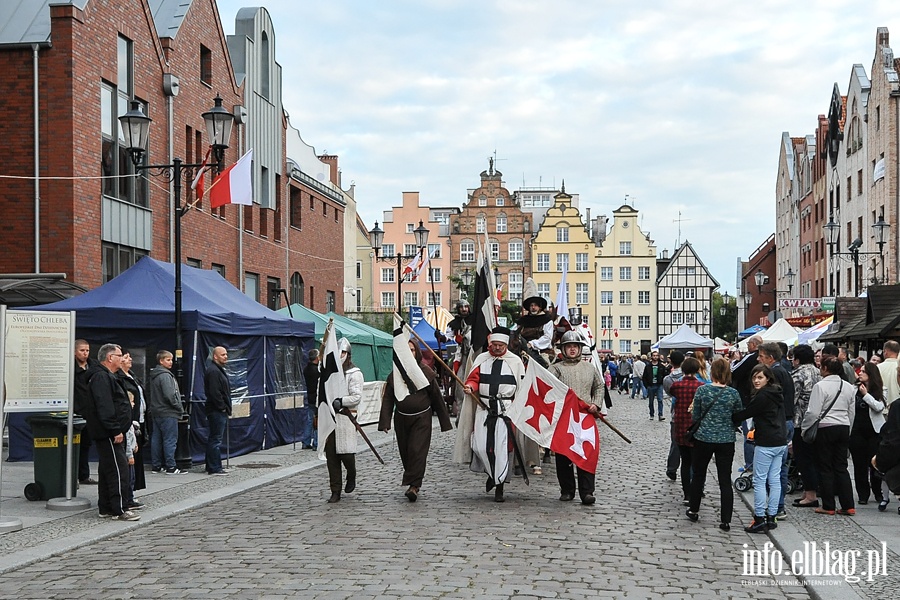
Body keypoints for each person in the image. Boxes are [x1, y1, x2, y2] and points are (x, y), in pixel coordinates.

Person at [379, 340, 453, 502]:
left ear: (417, 352)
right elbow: (388, 398)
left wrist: (444, 422)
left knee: (416, 451)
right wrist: (385, 422)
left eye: (412, 350)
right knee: (406, 452)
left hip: (422, 418)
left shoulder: (425, 372)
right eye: (407, 350)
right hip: (402, 418)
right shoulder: (396, 374)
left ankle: (414, 486)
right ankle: (413, 480)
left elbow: (436, 398)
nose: (410, 353)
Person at [460, 326, 526, 502]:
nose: (497, 348)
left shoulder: (515, 362)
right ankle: (491, 473)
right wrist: (470, 387)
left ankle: (500, 487)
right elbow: (474, 379)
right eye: (494, 345)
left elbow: (521, 388)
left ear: (506, 345)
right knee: (481, 446)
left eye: (500, 345)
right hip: (485, 408)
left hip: (506, 410)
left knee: (502, 449)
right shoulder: (482, 359)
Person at [81, 344, 139, 521]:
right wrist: (115, 429)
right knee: (117, 469)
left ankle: (106, 507)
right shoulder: (101, 377)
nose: (122, 358)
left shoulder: (109, 376)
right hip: (109, 432)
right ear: (109, 358)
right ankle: (119, 508)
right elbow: (104, 406)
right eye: (119, 355)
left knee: (108, 469)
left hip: (111, 430)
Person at [685, 358, 743, 531]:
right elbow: (737, 416)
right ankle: (726, 519)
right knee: (725, 479)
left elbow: (695, 416)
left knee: (698, 474)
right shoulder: (733, 393)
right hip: (726, 440)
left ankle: (694, 509)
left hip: (704, 438)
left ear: (712, 372)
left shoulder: (702, 391)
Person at [549, 331, 605, 505]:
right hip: (565, 418)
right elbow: (549, 388)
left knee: (587, 452)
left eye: (575, 346)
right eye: (569, 346)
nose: (572, 349)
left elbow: (599, 386)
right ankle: (567, 490)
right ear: (563, 349)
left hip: (585, 416)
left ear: (580, 349)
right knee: (564, 454)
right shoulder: (556, 368)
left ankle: (587, 491)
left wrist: (596, 404)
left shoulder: (590, 367)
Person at [732, 364, 788, 533]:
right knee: (774, 479)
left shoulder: (763, 396)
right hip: (780, 440)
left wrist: (731, 416)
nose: (756, 381)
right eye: (754, 377)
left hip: (767, 442)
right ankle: (771, 517)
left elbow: (747, 413)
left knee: (759, 480)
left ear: (768, 378)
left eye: (760, 377)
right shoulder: (776, 393)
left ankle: (759, 518)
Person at [802, 357, 856, 516]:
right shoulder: (848, 387)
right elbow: (851, 412)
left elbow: (813, 412)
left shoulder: (820, 386)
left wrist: (806, 428)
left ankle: (828, 505)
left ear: (825, 368)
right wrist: (849, 428)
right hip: (844, 426)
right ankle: (848, 505)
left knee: (825, 466)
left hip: (826, 427)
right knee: (841, 466)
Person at [757, 342, 795, 519]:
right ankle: (776, 506)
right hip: (785, 421)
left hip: (779, 424)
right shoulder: (784, 370)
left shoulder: (775, 373)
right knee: (779, 469)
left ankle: (777, 506)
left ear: (770, 358)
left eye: (761, 356)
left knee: (776, 470)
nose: (759, 359)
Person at [324, 338, 364, 503]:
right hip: (330, 418)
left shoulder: (354, 373)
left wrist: (342, 401)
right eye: (338, 352)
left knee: (347, 454)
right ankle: (335, 490)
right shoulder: (328, 372)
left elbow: (356, 397)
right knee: (332, 456)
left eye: (343, 352)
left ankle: (351, 473)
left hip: (346, 418)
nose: (340, 355)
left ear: (347, 354)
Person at [848, 363, 885, 506]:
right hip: (856, 431)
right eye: (860, 370)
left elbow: (879, 407)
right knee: (859, 465)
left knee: (875, 464)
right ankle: (863, 494)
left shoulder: (880, 390)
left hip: (874, 433)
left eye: (864, 371)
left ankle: (878, 492)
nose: (860, 373)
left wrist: (866, 395)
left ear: (871, 374)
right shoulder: (853, 389)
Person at [790, 344, 822, 508]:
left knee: (803, 458)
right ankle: (809, 491)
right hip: (818, 421)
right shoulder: (818, 372)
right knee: (813, 457)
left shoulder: (798, 374)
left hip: (800, 421)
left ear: (797, 359)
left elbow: (792, 398)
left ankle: (810, 495)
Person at [670, 357, 705, 505]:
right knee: (697, 464)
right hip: (697, 427)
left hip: (681, 426)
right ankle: (697, 490)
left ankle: (687, 494)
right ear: (697, 369)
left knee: (685, 462)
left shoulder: (677, 386)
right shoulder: (701, 386)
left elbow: (672, 393)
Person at [148, 350, 187, 475]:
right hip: (168, 412)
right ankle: (171, 466)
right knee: (170, 439)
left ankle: (156, 465)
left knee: (156, 439)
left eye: (171, 360)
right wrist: (179, 407)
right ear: (161, 361)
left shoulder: (154, 375)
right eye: (168, 360)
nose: (171, 362)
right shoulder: (165, 375)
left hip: (156, 411)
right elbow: (169, 395)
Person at [117, 352, 146, 510]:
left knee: (135, 459)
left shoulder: (132, 375)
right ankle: (127, 497)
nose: (130, 360)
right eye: (126, 357)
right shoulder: (120, 378)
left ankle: (131, 494)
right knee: (129, 460)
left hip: (137, 422)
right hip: (129, 423)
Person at [731, 334, 761, 472]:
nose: (747, 346)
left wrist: (735, 361)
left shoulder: (751, 357)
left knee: (749, 433)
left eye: (749, 343)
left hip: (747, 398)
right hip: (758, 400)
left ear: (754, 345)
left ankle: (749, 465)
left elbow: (733, 372)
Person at [73, 339, 98, 486]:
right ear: (75, 351)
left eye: (87, 350)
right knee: (74, 445)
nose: (85, 353)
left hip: (89, 412)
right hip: (76, 411)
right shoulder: (70, 367)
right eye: (82, 350)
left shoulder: (93, 366)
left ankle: (84, 475)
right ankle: (72, 476)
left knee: (86, 445)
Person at [204, 346, 232, 476]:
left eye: (226, 354)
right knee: (215, 439)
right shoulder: (214, 371)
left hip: (217, 409)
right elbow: (215, 392)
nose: (225, 356)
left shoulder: (217, 370)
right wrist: (222, 407)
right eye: (223, 355)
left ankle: (212, 465)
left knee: (214, 438)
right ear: (215, 356)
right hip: (216, 410)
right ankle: (214, 467)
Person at [662, 351, 685, 481]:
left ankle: (672, 469)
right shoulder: (689, 376)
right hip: (689, 414)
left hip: (675, 412)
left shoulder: (668, 379)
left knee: (675, 443)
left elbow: (669, 393)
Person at [642, 350, 669, 421]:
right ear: (651, 356)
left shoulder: (661, 366)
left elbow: (665, 375)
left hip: (659, 385)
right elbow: (644, 377)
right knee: (651, 401)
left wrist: (663, 382)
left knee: (660, 400)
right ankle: (651, 414)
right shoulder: (648, 366)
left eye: (656, 355)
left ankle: (660, 414)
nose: (655, 357)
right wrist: (646, 386)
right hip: (650, 385)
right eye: (654, 355)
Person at [302, 349, 320, 450]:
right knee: (317, 420)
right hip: (316, 397)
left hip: (309, 396)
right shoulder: (316, 370)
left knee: (309, 420)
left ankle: (306, 441)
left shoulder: (306, 369)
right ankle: (316, 443)